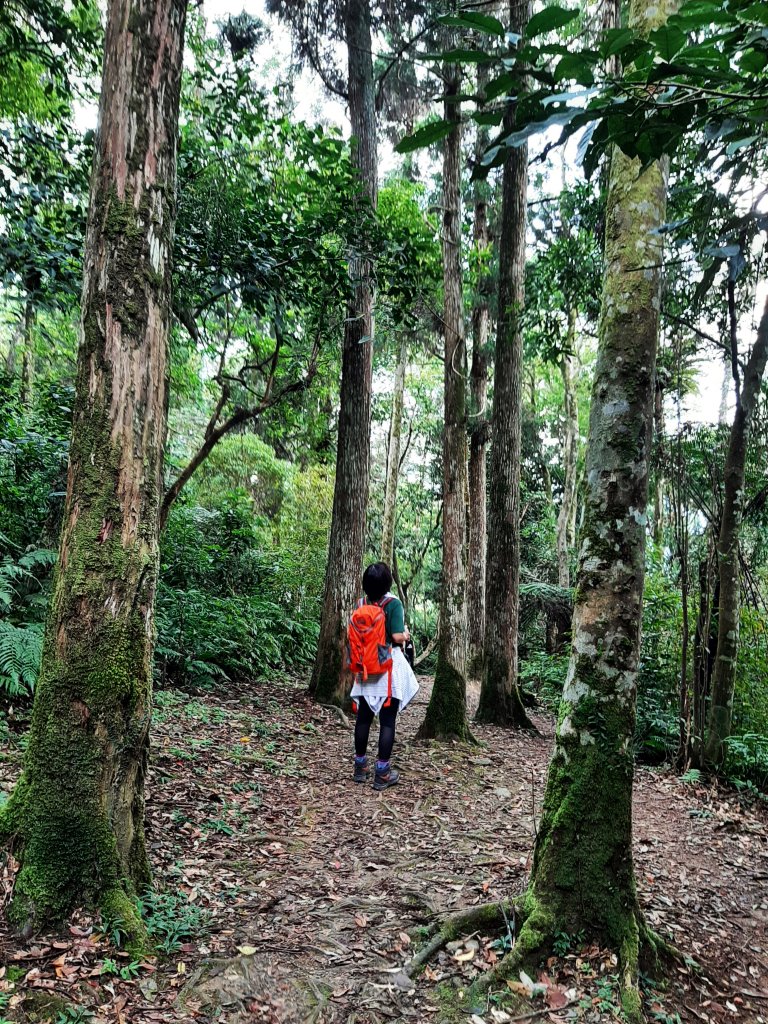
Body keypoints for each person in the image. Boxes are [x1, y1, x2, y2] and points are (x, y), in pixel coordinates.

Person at [350, 561, 419, 791]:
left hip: (365, 667)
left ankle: (360, 767)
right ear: (388, 582)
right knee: (387, 720)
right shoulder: (393, 604)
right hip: (387, 665)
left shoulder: (361, 603)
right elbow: (398, 636)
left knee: (363, 718)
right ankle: (382, 772)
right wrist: (407, 635)